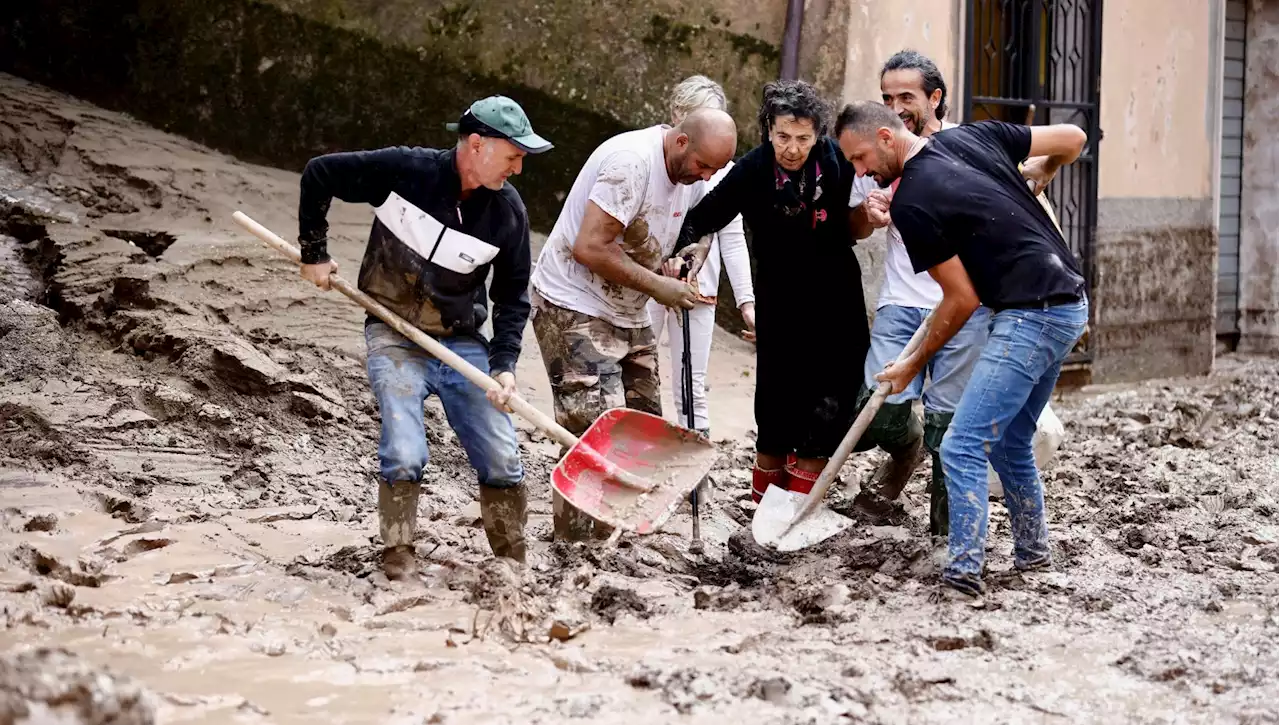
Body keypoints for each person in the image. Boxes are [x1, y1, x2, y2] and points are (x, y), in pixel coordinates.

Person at [834, 100, 1089, 598]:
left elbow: (961, 298)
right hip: (1069, 302)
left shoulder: (914, 202)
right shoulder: (973, 137)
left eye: (861, 158)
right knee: (1013, 439)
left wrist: (911, 363)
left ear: (888, 136)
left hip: (1031, 314)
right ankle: (1033, 553)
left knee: (962, 445)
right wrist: (1044, 166)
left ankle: (964, 572)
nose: (861, 172)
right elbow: (1074, 141)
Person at [295, 96, 552, 579]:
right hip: (391, 332)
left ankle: (512, 562)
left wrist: (503, 366)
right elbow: (319, 173)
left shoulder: (508, 215)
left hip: (461, 342)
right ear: (477, 145)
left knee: (502, 455)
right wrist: (314, 251)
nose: (518, 169)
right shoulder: (405, 172)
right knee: (405, 450)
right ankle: (398, 556)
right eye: (514, 156)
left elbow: (513, 298)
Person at [529, 107, 737, 541]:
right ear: (681, 141)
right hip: (573, 302)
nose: (703, 177)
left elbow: (702, 226)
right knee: (591, 428)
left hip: (629, 307)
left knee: (646, 421)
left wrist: (688, 258)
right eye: (702, 166)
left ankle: (624, 528)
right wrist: (660, 287)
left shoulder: (693, 175)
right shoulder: (631, 163)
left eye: (713, 171)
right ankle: (577, 542)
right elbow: (590, 246)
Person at [670, 80, 875, 504]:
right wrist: (684, 255)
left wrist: (866, 216)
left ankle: (799, 503)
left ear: (818, 134)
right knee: (777, 401)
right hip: (780, 301)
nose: (793, 148)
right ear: (767, 130)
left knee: (831, 398)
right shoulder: (753, 170)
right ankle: (765, 503)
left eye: (803, 138)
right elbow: (702, 218)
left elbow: (859, 214)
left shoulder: (836, 161)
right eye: (783, 136)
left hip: (836, 300)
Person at [843, 50, 991, 536]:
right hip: (901, 302)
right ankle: (906, 451)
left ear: (935, 97)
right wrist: (868, 212)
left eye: (906, 96)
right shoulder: (876, 147)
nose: (895, 105)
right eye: (887, 96)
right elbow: (852, 229)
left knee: (949, 422)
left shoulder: (966, 146)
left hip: (963, 305)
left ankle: (946, 531)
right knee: (880, 409)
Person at [644, 75, 757, 438]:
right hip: (650, 280)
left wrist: (746, 302)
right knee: (639, 367)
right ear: (679, 115)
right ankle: (641, 449)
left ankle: (695, 469)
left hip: (698, 289)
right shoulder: (653, 157)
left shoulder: (725, 170)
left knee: (691, 381)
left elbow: (734, 239)